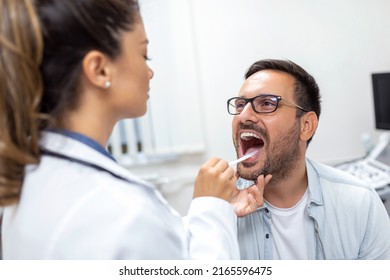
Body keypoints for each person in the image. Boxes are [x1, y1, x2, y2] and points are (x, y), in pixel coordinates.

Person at [0, 0, 267, 259]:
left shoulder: (29, 178)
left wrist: (217, 211)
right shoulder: (124, 214)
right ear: (100, 69)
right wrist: (210, 207)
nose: (149, 72)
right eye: (143, 54)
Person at [227, 58, 390, 259]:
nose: (243, 116)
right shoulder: (221, 207)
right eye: (240, 105)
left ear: (306, 126)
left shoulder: (361, 205)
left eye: (267, 103)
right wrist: (217, 218)